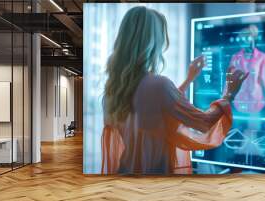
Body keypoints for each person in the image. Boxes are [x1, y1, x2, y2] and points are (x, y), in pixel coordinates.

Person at [101, 6, 247, 175]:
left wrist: (188, 80)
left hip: (125, 173)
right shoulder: (159, 86)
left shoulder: (113, 89)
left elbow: (152, 110)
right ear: (153, 43)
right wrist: (228, 94)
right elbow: (204, 123)